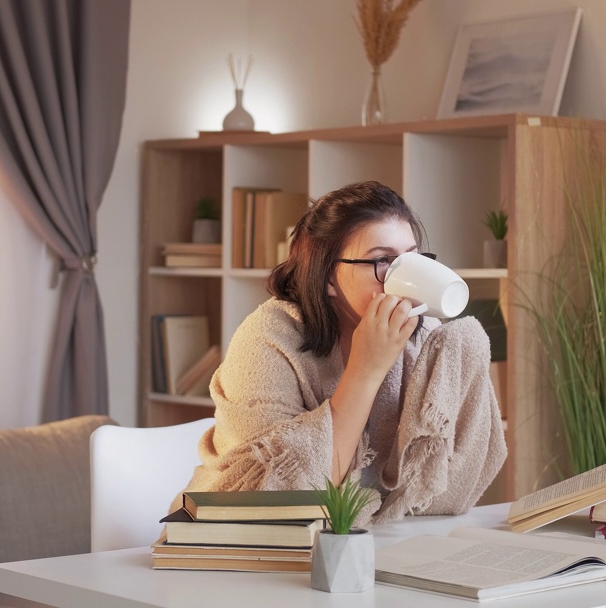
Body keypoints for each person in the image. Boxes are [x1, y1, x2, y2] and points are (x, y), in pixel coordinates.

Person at [177, 181, 506, 522]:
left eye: (411, 258)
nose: (405, 275)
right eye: (383, 260)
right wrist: (366, 371)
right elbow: (282, 500)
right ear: (328, 278)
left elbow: (445, 492)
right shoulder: (267, 340)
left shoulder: (428, 343)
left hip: (372, 545)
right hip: (231, 541)